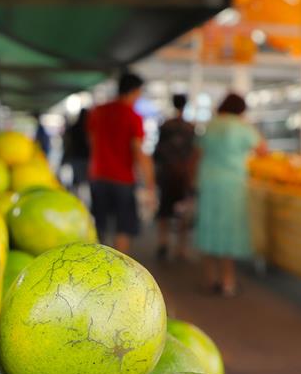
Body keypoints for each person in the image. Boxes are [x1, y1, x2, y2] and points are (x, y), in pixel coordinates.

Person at [194, 92, 266, 297]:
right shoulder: (243, 127)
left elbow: (198, 153)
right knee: (229, 229)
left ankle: (209, 279)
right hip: (232, 184)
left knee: (208, 227)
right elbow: (262, 149)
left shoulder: (211, 125)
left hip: (208, 182)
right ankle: (227, 280)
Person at [87, 71, 155, 254]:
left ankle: (97, 262)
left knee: (99, 224)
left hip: (98, 175)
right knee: (123, 226)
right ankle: (118, 270)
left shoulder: (98, 111)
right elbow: (139, 152)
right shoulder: (133, 116)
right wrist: (150, 184)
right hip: (122, 179)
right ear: (134, 91)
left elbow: (92, 141)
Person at [153, 93, 196, 261]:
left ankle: (163, 242)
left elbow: (157, 152)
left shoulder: (165, 126)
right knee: (182, 210)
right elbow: (194, 153)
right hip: (184, 175)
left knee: (164, 210)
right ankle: (181, 248)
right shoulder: (190, 127)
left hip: (166, 173)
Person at [61, 108, 90, 198]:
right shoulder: (87, 129)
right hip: (84, 158)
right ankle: (79, 197)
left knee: (76, 179)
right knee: (83, 181)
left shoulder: (73, 128)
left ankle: (75, 195)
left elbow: (67, 142)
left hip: (74, 157)